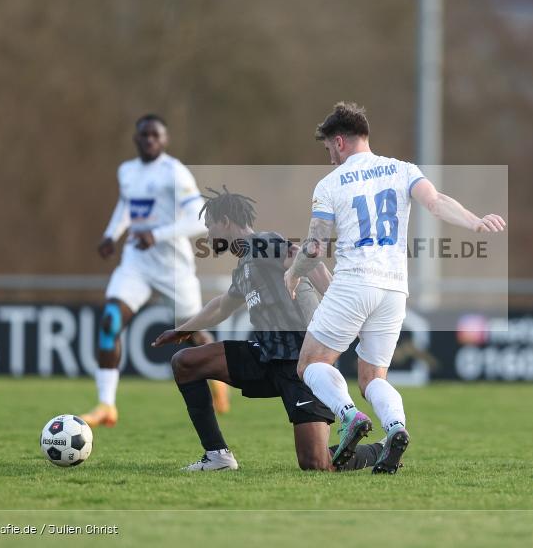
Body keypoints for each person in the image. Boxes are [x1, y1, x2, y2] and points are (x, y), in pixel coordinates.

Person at [284, 102, 506, 473]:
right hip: (393, 290)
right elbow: (436, 202)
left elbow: (316, 246)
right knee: (373, 378)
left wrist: (294, 273)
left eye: (328, 149)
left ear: (339, 142)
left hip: (354, 282)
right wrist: (475, 221)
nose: (330, 157)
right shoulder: (403, 169)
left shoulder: (330, 184)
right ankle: (395, 429)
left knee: (311, 363)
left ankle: (349, 415)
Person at [152, 187, 384, 471]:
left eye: (210, 226)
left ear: (225, 221)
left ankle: (378, 450)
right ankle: (217, 456)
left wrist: (344, 312)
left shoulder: (262, 243)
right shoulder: (244, 265)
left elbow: (307, 260)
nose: (208, 235)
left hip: (302, 363)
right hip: (264, 357)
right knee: (186, 362)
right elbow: (222, 306)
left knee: (315, 463)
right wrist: (183, 330)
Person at [82, 114, 228, 427]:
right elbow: (126, 206)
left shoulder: (174, 172)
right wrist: (111, 235)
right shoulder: (127, 170)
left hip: (173, 266)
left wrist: (157, 235)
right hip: (136, 263)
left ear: (164, 140)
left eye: (155, 135)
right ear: (136, 138)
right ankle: (106, 405)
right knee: (109, 321)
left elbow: (199, 219)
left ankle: (219, 381)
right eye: (144, 135)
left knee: (191, 332)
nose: (149, 139)